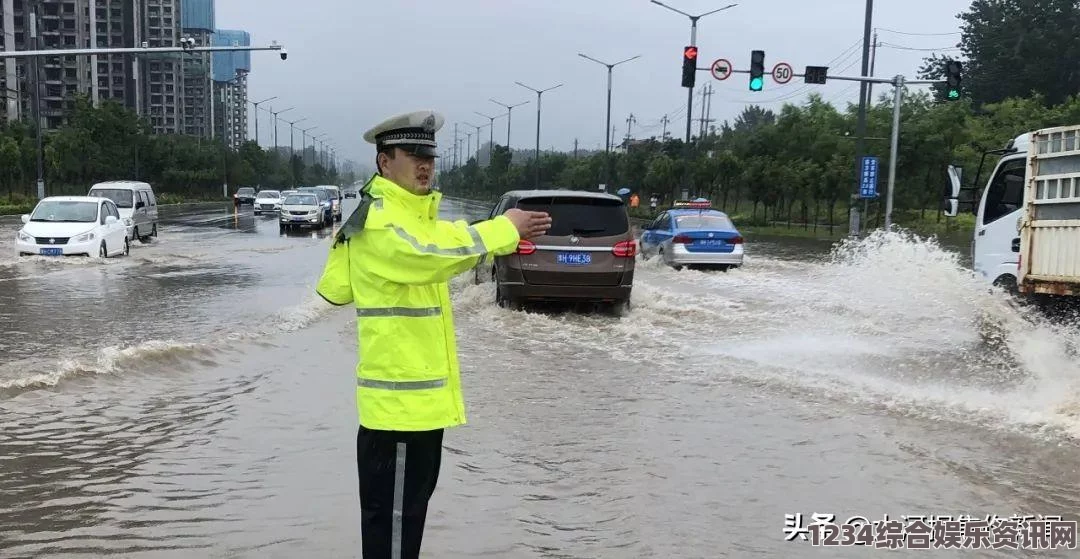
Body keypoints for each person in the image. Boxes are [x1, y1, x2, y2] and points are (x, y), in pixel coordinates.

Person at [315, 110, 551, 559]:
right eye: (413, 155)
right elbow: (433, 255)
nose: (426, 164)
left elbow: (453, 239)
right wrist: (504, 228)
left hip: (419, 412)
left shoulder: (416, 219)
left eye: (430, 155)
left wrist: (506, 235)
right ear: (384, 163)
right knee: (395, 537)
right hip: (398, 416)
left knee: (404, 529)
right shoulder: (380, 223)